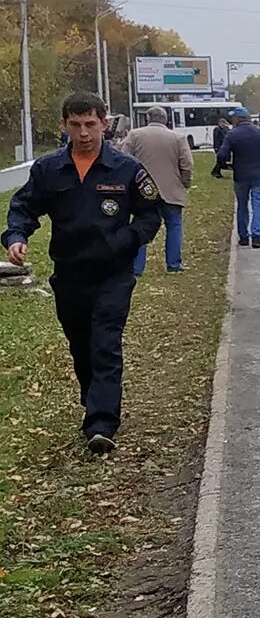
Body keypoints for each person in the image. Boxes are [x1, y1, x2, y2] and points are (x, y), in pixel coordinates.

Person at [4, 92, 164, 454]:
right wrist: (16, 237)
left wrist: (128, 240)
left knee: (105, 344)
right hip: (70, 273)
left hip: (113, 273)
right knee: (81, 346)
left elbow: (151, 213)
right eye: (75, 125)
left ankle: (102, 422)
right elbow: (24, 206)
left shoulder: (126, 169)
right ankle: (93, 401)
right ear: (64, 126)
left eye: (91, 124)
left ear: (105, 124)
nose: (84, 133)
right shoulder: (49, 169)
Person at [120, 106, 194, 275]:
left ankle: (136, 267)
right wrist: (185, 183)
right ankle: (173, 264)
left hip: (143, 191)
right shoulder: (178, 138)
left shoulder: (135, 135)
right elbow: (187, 165)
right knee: (174, 226)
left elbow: (123, 159)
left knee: (141, 227)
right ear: (165, 119)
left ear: (148, 119)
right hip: (171, 190)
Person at [213, 108, 260, 249]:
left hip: (241, 176)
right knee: (258, 206)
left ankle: (243, 237)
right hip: (259, 175)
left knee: (242, 206)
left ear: (238, 119)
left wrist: (227, 165)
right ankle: (256, 237)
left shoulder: (232, 134)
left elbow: (221, 155)